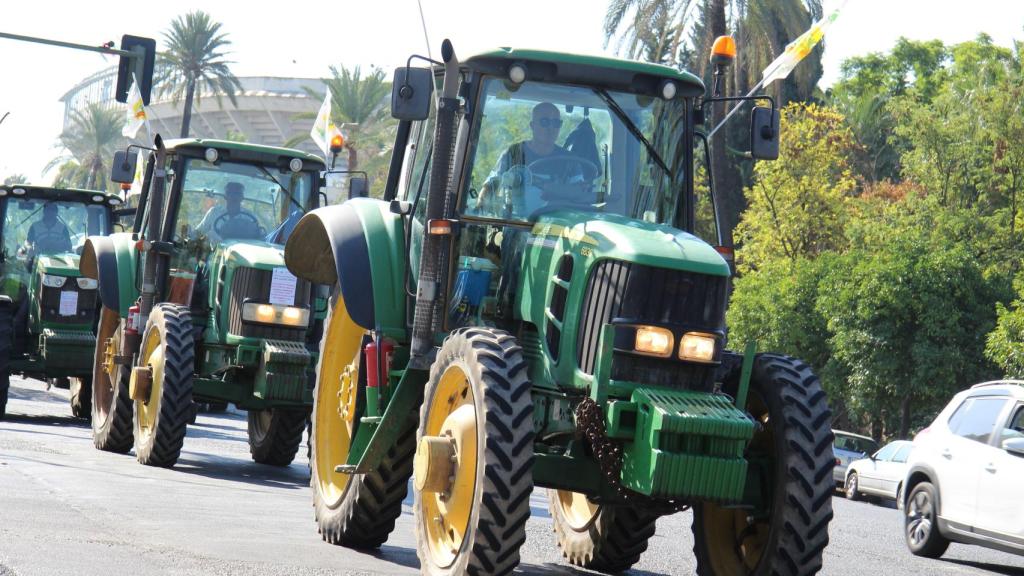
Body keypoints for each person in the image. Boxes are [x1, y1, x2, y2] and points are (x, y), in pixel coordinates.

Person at [475, 102, 592, 218]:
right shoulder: (514, 153)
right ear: (532, 125)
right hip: (515, 225)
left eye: (556, 123)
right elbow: (491, 185)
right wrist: (479, 207)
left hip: (555, 228)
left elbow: (579, 195)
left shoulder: (569, 160)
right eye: (545, 122)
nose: (551, 128)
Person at [195, 181, 262, 243]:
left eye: (237, 193)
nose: (234, 197)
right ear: (225, 196)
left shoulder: (249, 217)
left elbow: (258, 237)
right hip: (215, 252)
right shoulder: (214, 212)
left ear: (242, 197)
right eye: (230, 193)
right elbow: (198, 232)